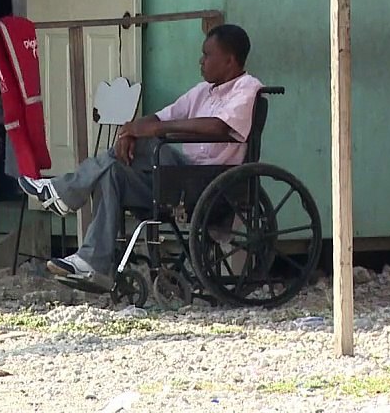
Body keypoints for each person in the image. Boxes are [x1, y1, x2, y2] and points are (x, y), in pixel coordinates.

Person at [16, 24, 263, 291]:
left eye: (207, 55)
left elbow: (218, 126)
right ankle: (93, 263)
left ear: (229, 60)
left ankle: (64, 192)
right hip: (179, 180)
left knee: (151, 141)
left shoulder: (248, 88)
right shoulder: (203, 91)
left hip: (210, 181)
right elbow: (160, 116)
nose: (200, 61)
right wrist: (131, 132)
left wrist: (153, 130)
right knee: (113, 171)